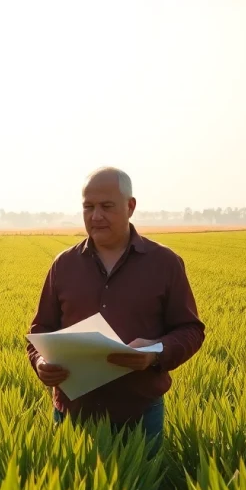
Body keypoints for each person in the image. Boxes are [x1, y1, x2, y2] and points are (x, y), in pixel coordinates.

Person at [25, 167, 206, 445]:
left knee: (141, 487)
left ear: (130, 206)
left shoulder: (165, 263)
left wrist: (155, 353)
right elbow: (41, 329)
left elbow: (190, 329)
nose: (96, 216)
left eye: (106, 206)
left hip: (140, 413)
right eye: (88, 207)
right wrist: (41, 362)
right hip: (72, 413)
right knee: (72, 488)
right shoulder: (64, 265)